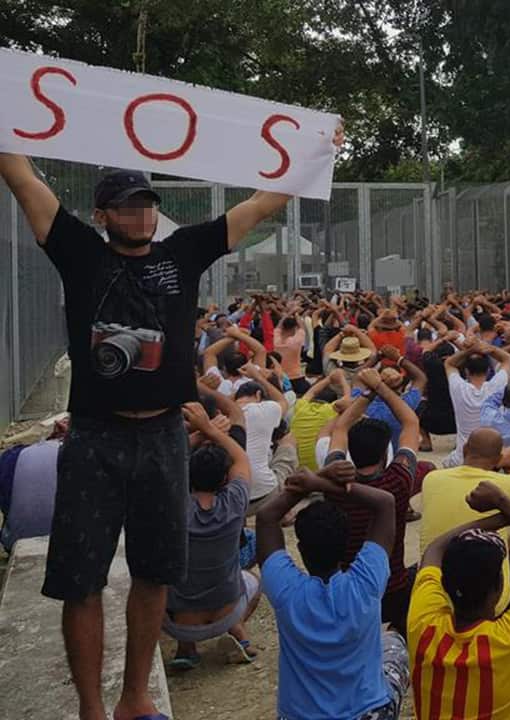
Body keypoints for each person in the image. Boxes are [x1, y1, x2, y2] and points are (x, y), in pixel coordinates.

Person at [3, 135, 339, 720]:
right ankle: (91, 707)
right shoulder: (80, 251)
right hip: (95, 436)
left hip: (165, 435)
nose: (141, 213)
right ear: (103, 215)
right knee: (80, 579)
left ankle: (134, 698)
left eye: (147, 203)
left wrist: (314, 154)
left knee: (154, 572)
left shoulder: (181, 253)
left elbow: (262, 204)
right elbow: (23, 179)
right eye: (128, 205)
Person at [256, 463, 410, 720]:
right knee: (394, 644)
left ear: (301, 550)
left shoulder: (286, 591)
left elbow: (266, 517)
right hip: (368, 711)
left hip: (300, 715)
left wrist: (307, 484)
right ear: (347, 543)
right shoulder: (366, 583)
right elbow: (385, 503)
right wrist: (319, 484)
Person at [407, 480, 510, 720]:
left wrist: (505, 515)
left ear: (445, 584)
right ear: (498, 588)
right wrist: (506, 507)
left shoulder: (422, 622)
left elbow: (435, 548)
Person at [323, 367, 420, 636]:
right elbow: (411, 423)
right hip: (393, 587)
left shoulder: (333, 481)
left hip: (349, 587)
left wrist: (367, 392)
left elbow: (341, 426)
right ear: (384, 453)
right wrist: (381, 388)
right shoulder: (398, 480)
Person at [164, 402, 262, 671]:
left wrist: (195, 434)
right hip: (225, 614)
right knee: (253, 579)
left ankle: (186, 649)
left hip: (178, 624)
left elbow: (163, 465)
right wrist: (211, 429)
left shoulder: (173, 508)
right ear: (224, 481)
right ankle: (239, 633)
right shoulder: (234, 502)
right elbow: (240, 458)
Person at [417, 428, 510, 609]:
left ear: (464, 450)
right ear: (497, 459)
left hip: (432, 593)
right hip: (491, 600)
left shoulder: (431, 479)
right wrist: (506, 465)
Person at [234, 366, 294, 515]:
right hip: (266, 494)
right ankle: (285, 508)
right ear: (259, 395)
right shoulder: (265, 409)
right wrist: (259, 377)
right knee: (289, 438)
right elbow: (282, 400)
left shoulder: (222, 415)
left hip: (233, 498)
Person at [443, 341, 510, 467]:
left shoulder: (459, 387)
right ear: (487, 371)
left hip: (462, 459)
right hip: (491, 461)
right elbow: (507, 359)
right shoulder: (496, 385)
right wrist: (489, 348)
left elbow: (449, 363)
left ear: (466, 371)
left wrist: (470, 350)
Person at [355, 348, 427, 451]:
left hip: (365, 458)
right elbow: (420, 378)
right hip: (396, 460)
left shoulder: (361, 403)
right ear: (402, 386)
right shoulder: (407, 404)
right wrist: (398, 359)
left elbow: (358, 377)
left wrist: (378, 357)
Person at [290, 370, 350, 471]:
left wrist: (329, 379)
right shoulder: (329, 411)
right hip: (319, 469)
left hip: (296, 468)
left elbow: (312, 392)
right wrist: (343, 380)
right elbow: (347, 400)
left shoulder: (301, 408)